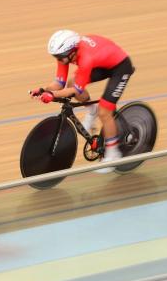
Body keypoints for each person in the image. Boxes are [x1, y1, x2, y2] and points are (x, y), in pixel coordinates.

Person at [30, 30, 134, 173]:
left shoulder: (86, 58)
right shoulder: (65, 55)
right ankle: (92, 110)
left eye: (60, 57)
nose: (59, 60)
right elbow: (59, 83)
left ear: (72, 51)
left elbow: (76, 92)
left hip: (121, 67)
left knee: (105, 111)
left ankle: (113, 154)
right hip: (103, 63)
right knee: (72, 81)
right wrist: (43, 90)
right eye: (56, 57)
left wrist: (52, 95)